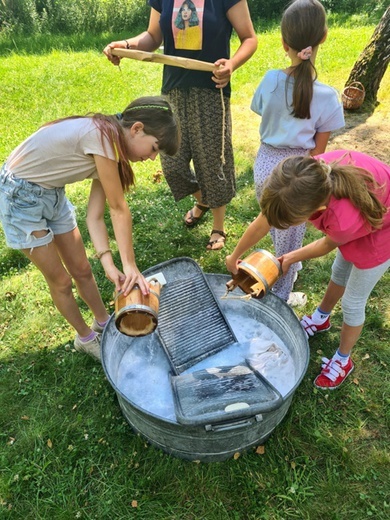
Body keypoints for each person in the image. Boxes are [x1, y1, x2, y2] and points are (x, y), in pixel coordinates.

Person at [0, 96, 180, 361]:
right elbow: (118, 209)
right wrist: (129, 265)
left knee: (83, 270)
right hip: (20, 197)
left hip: (50, 193)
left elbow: (94, 217)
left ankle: (103, 322)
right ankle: (84, 338)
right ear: (137, 128)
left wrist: (108, 263)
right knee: (61, 281)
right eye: (154, 148)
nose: (152, 158)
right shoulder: (102, 138)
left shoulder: (110, 146)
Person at [227, 150, 390, 389]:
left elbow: (327, 244)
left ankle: (343, 360)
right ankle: (321, 318)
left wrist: (290, 257)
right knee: (339, 271)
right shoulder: (304, 177)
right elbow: (265, 219)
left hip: (382, 230)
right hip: (359, 213)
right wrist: (235, 255)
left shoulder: (343, 221)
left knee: (353, 303)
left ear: (318, 211)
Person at [104, 0, 257, 251]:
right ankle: (202, 200)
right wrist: (127, 45)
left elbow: (249, 38)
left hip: (210, 90)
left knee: (212, 162)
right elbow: (153, 36)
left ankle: (218, 226)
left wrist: (231, 64)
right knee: (172, 162)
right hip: (173, 91)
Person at [250, 0, 344, 306]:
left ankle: (288, 262)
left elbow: (260, 112)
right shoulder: (328, 97)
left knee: (277, 224)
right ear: (324, 38)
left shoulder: (269, 81)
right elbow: (318, 151)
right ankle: (281, 295)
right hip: (298, 175)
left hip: (266, 167)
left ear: (283, 42)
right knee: (288, 235)